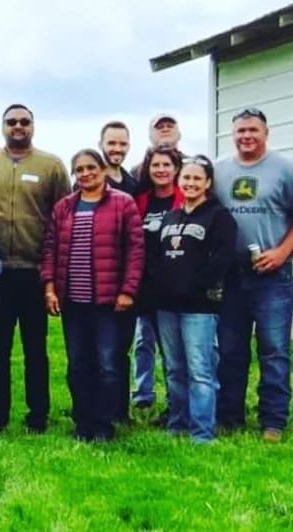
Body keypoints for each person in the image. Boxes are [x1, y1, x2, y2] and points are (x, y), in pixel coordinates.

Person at [215, 107, 293, 443]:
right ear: (233, 134)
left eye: (253, 130)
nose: (247, 136)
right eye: (241, 131)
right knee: (230, 350)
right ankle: (229, 417)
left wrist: (282, 252)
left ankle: (273, 420)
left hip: (273, 277)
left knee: (274, 350)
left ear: (266, 133)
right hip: (232, 277)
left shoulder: (287, 169)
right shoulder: (219, 171)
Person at [0, 104, 71, 433]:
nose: (18, 126)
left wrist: (53, 275)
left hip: (34, 272)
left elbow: (63, 218)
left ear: (33, 126)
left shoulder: (51, 166)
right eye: (11, 122)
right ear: (2, 126)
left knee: (35, 348)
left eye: (24, 122)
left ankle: (38, 416)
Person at [42, 149, 143, 441]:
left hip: (108, 302)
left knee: (108, 365)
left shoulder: (123, 203)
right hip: (73, 301)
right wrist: (50, 287)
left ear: (103, 170)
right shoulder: (64, 207)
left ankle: (103, 423)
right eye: (80, 169)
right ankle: (82, 421)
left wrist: (128, 291)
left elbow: (136, 251)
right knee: (78, 365)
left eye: (91, 168)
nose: (85, 173)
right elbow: (50, 249)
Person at [152, 155, 236, 443]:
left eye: (197, 178)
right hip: (167, 307)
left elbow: (222, 259)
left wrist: (195, 286)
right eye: (186, 177)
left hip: (200, 307)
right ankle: (177, 424)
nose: (191, 183)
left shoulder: (219, 216)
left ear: (208, 183)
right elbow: (159, 258)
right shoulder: (170, 217)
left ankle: (202, 432)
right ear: (179, 180)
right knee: (174, 369)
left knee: (200, 370)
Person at [125, 147, 183, 419]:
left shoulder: (185, 197)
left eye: (166, 165)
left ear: (176, 168)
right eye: (155, 165)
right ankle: (142, 395)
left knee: (172, 349)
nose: (161, 170)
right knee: (142, 341)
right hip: (143, 284)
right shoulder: (140, 200)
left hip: (173, 285)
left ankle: (176, 404)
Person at [99, 121, 139, 195]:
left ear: (128, 147)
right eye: (112, 143)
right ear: (100, 145)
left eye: (123, 144)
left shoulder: (133, 185)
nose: (118, 149)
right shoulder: (90, 182)